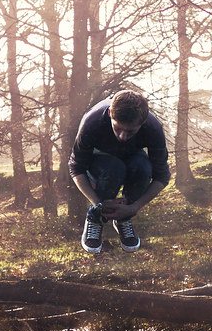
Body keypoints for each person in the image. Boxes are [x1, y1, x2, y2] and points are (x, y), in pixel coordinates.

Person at [68, 90, 170, 253]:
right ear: (110, 114)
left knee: (143, 167)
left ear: (142, 123)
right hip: (100, 161)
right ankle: (95, 217)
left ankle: (124, 218)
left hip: (132, 157)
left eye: (130, 132)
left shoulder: (153, 128)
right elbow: (76, 167)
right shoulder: (92, 122)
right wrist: (97, 203)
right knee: (114, 168)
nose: (123, 136)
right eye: (118, 128)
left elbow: (162, 176)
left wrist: (134, 207)